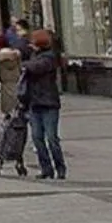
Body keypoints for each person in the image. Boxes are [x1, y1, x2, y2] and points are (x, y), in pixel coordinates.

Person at [22, 28, 65, 180]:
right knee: (37, 137)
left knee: (52, 138)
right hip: (35, 103)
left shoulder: (50, 57)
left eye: (33, 41)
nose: (31, 44)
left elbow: (37, 67)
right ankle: (46, 168)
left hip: (49, 103)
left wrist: (24, 64)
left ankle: (60, 168)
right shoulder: (35, 55)